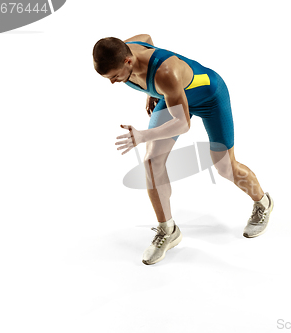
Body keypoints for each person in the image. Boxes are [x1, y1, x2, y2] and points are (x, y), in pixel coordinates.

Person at [92, 34, 274, 265]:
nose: (113, 82)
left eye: (115, 77)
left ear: (128, 61)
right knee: (151, 162)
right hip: (172, 96)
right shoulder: (126, 49)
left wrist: (142, 135)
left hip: (209, 98)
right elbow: (147, 37)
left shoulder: (165, 74)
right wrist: (152, 92)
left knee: (225, 167)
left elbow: (183, 123)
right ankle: (167, 230)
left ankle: (263, 202)